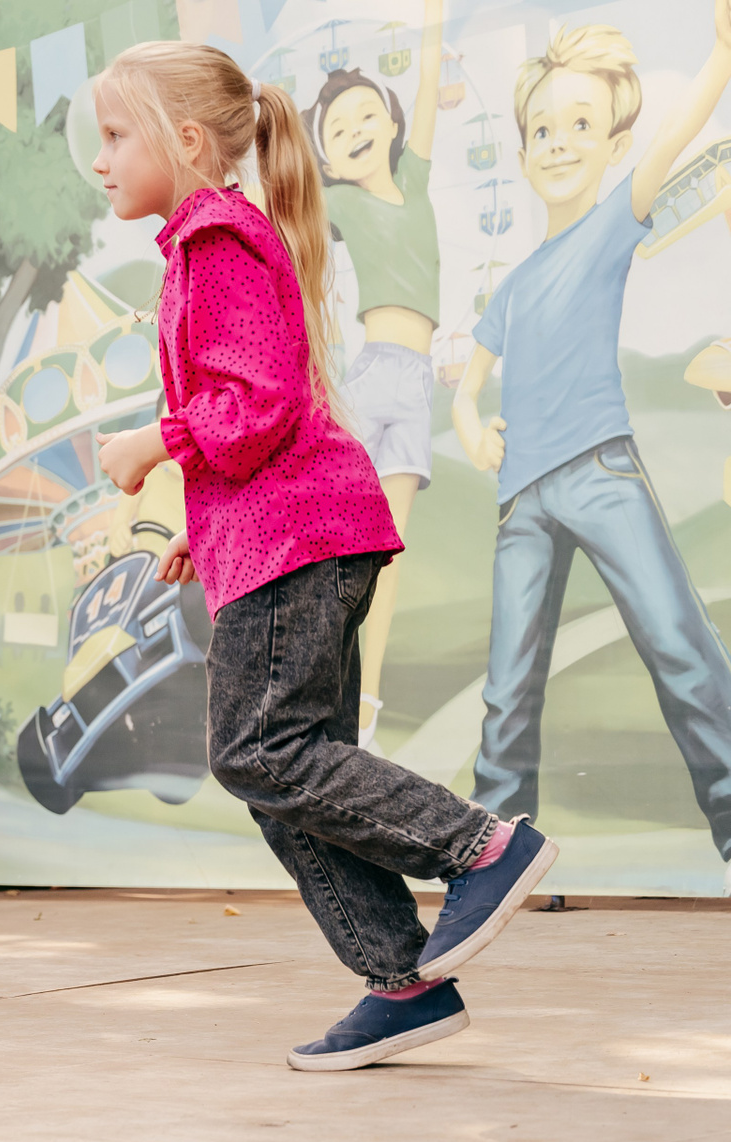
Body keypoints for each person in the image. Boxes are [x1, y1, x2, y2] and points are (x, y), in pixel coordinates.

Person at [90, 41, 558, 1071]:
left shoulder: (218, 238)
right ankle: (401, 980)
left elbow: (258, 402)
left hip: (298, 542)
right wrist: (201, 523)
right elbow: (257, 414)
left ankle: (480, 846)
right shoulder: (201, 245)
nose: (101, 157)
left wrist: (152, 441)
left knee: (260, 750)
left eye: (116, 134)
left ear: (188, 140)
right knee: (287, 772)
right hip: (283, 535)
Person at [451, 15, 731, 867]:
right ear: (522, 151)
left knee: (678, 644)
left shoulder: (614, 220)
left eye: (581, 125)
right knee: (507, 690)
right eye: (542, 130)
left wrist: (723, 52)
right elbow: (468, 384)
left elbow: (679, 131)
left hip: (601, 470)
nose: (559, 143)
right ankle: (496, 859)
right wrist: (472, 427)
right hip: (522, 501)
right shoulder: (514, 284)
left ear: (614, 146)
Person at [306, 0, 445, 751]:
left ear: (390, 125)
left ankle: (363, 710)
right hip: (370, 379)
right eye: (337, 129)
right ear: (327, 159)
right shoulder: (340, 200)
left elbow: (426, 82)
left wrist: (433, 20)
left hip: (416, 387)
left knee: (387, 556)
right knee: (336, 542)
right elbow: (283, 198)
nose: (356, 129)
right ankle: (312, 683)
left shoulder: (414, 178)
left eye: (366, 115)